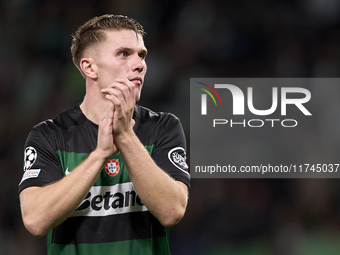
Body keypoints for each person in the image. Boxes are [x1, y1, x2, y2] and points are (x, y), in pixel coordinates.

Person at [18, 14, 190, 255]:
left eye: (142, 55)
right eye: (124, 54)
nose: (140, 64)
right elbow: (35, 220)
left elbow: (172, 211)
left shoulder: (162, 128)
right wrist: (99, 155)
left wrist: (126, 137)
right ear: (89, 67)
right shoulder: (50, 135)